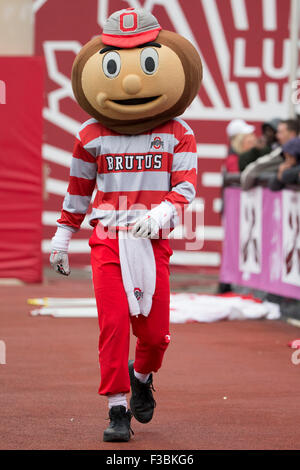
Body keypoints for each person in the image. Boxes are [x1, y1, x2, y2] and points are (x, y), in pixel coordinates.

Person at [49, 7, 202, 442]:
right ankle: (117, 409)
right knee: (113, 324)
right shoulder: (90, 133)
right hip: (107, 239)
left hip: (153, 243)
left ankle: (142, 375)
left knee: (153, 337)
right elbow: (78, 190)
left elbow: (187, 187)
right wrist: (63, 236)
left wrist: (162, 214)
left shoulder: (178, 131)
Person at [241, 119, 299, 190]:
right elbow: (273, 186)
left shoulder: (282, 152)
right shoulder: (278, 151)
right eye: (286, 157)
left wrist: (286, 174)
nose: (277, 136)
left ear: (292, 134)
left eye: (280, 132)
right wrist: (280, 174)